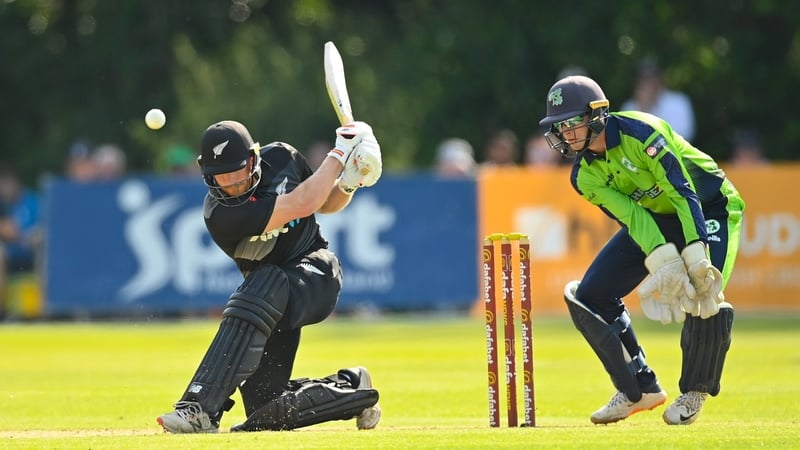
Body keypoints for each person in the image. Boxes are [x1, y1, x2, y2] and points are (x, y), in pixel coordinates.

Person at [539, 75, 743, 426]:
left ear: (597, 114)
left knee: (705, 292)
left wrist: (694, 257)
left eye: (573, 123)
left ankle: (695, 391)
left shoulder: (642, 132)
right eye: (560, 127)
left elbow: (682, 191)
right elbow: (634, 217)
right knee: (590, 296)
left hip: (710, 205)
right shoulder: (584, 176)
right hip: (657, 219)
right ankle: (639, 388)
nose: (567, 134)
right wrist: (664, 260)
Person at [157, 119, 383, 433]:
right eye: (220, 177)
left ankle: (198, 409)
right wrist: (342, 152)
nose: (231, 183)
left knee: (265, 280)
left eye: (236, 172)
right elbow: (303, 201)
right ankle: (352, 388)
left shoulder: (282, 158)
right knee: (266, 411)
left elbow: (323, 203)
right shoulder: (220, 215)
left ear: (253, 158)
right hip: (268, 307)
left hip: (315, 273)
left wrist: (349, 183)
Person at [621, 59, 696, 142]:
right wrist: (643, 109)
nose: (649, 84)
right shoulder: (629, 107)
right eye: (644, 79)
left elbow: (686, 134)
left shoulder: (679, 101)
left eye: (652, 78)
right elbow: (627, 140)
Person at [0, 164, 41, 315]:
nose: (3, 189)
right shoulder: (4, 204)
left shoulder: (32, 202)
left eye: (5, 184)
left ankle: (44, 310)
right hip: (10, 252)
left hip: (31, 250)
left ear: (14, 181)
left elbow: (20, 232)